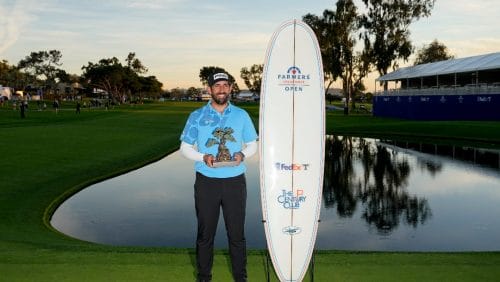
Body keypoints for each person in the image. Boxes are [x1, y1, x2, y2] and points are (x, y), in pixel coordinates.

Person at [179, 71, 258, 282]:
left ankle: (241, 278)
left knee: (237, 235)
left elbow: (252, 145)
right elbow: (185, 148)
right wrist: (203, 156)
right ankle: (204, 278)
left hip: (235, 182)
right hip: (207, 182)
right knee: (205, 235)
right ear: (209, 89)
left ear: (231, 88)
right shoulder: (196, 116)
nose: (221, 89)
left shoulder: (241, 115)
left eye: (225, 85)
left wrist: (243, 153)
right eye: (217, 86)